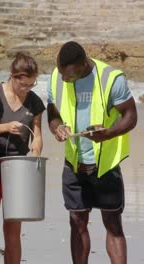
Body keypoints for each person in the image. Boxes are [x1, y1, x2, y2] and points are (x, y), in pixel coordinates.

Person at [46, 41, 137, 264]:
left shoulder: (111, 79)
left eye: (69, 76)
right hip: (73, 163)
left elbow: (131, 115)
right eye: (61, 74)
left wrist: (108, 133)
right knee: (76, 221)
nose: (64, 80)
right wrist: (57, 127)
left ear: (83, 65)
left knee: (113, 223)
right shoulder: (57, 77)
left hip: (105, 164)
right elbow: (52, 111)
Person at [0, 52, 45, 264]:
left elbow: (37, 135)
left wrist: (35, 154)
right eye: (23, 85)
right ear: (12, 76)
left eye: (31, 85)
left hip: (19, 167)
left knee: (13, 231)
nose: (26, 90)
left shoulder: (34, 102)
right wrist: (6, 127)